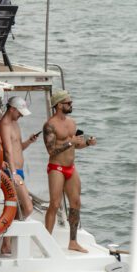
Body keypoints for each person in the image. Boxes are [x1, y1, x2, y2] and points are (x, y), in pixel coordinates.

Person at [43, 90, 97, 253]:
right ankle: (46, 242)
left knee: (76, 203)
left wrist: (87, 143)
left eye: (71, 103)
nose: (71, 105)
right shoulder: (50, 125)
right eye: (68, 103)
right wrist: (69, 143)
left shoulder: (72, 122)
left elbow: (76, 144)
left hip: (70, 168)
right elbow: (51, 151)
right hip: (56, 168)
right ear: (59, 105)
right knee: (55, 204)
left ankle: (73, 242)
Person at [0, 95, 38, 254]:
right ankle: (6, 240)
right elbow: (8, 151)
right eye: (19, 112)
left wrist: (29, 141)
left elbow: (17, 148)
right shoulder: (5, 124)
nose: (21, 115)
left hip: (18, 171)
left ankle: (6, 242)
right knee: (28, 208)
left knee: (14, 209)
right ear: (12, 109)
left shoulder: (15, 123)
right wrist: (13, 173)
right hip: (12, 172)